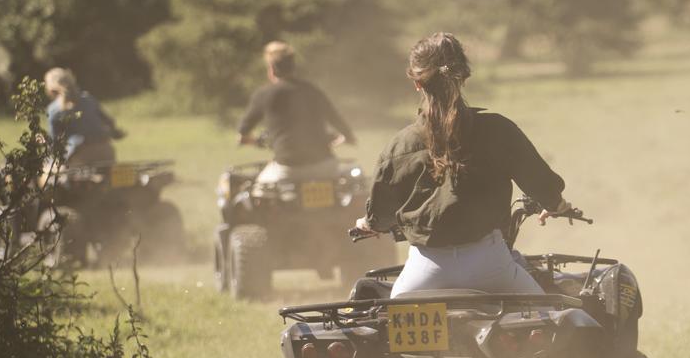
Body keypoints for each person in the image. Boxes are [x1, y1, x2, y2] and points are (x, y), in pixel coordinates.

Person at [355, 32, 573, 297]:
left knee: (387, 329)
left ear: (417, 84)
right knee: (546, 319)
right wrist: (557, 206)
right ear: (464, 78)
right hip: (490, 266)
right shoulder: (499, 130)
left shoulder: (399, 145)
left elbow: (382, 211)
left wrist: (369, 223)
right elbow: (540, 182)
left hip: (424, 272)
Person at [237, 41, 356, 184]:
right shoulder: (312, 90)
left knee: (256, 191)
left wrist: (257, 141)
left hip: (288, 169)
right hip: (325, 167)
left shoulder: (264, 94)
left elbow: (243, 132)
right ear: (293, 68)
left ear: (272, 69)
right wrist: (345, 138)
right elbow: (340, 124)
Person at [44, 67, 123, 166]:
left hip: (80, 154)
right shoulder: (88, 98)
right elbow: (110, 121)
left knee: (48, 169)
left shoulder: (54, 109)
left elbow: (54, 145)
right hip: (106, 150)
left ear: (51, 90)